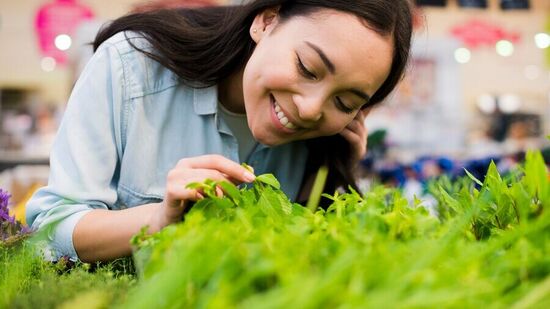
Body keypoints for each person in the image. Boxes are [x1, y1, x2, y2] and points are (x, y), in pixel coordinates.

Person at [26, 0, 413, 262]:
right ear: (266, 20)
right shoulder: (131, 67)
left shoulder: (322, 144)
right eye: (308, 68)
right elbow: (49, 228)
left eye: (345, 102)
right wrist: (159, 219)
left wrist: (336, 179)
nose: (311, 109)